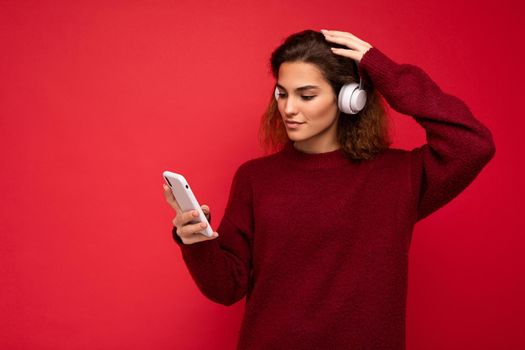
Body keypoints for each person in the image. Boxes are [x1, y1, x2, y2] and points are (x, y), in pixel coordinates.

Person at [162, 29, 495, 349]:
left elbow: (471, 144)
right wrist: (198, 241)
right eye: (282, 93)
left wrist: (386, 72)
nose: (289, 109)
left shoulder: (398, 176)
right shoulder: (255, 179)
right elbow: (226, 288)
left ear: (351, 98)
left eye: (306, 95)